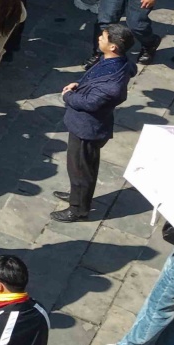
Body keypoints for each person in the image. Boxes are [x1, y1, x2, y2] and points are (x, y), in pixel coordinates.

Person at [53, 28, 135, 222]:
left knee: (81, 168)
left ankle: (79, 208)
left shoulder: (111, 86)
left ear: (113, 46)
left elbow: (90, 103)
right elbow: (92, 77)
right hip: (85, 126)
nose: (99, 38)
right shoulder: (114, 61)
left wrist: (68, 96)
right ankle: (77, 194)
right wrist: (78, 84)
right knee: (77, 166)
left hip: (87, 129)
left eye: (103, 37)